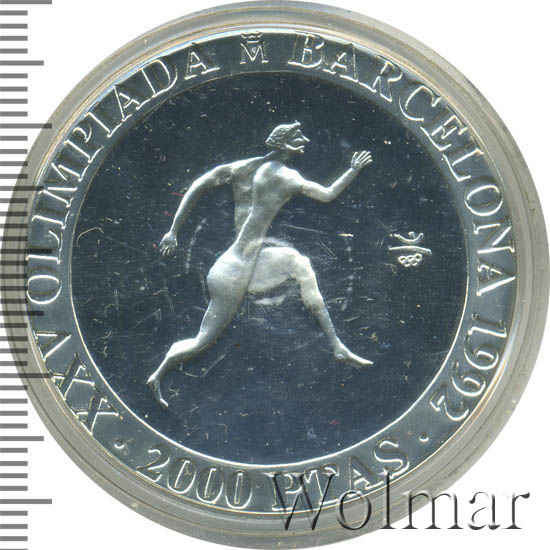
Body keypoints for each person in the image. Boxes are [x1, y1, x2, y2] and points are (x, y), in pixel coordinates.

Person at [147, 121, 373, 408]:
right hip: (233, 271)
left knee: (300, 264)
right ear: (284, 143)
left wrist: (174, 231)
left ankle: (337, 345)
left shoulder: (246, 168)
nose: (305, 141)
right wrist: (353, 169)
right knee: (202, 341)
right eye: (298, 137)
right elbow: (327, 195)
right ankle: (158, 374)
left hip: (247, 263)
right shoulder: (284, 175)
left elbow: (199, 184)